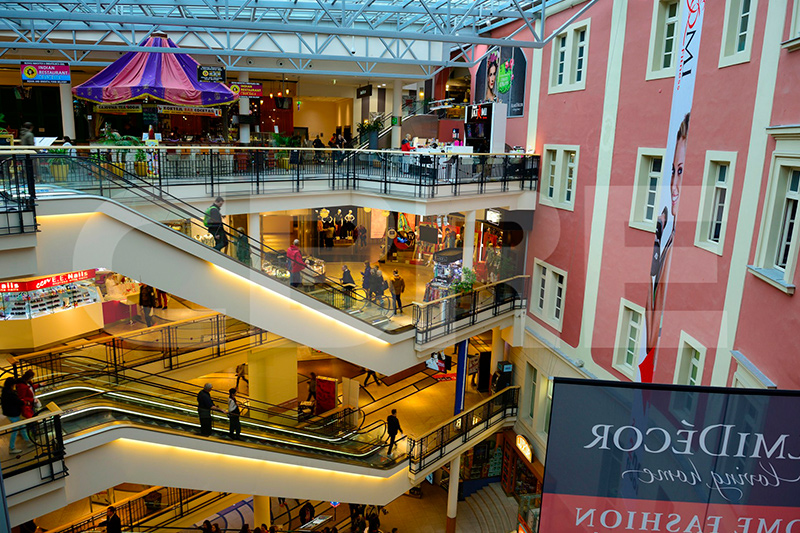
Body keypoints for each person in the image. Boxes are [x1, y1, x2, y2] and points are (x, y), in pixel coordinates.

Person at [645, 113, 690, 381]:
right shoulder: (671, 238)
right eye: (673, 171)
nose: (673, 185)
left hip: (653, 374)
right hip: (649, 370)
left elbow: (651, 335)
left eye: (681, 171)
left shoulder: (675, 245)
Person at [2, 377, 27, 454]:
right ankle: (11, 448)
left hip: (10, 413)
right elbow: (17, 401)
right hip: (13, 414)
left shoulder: (5, 391)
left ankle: (28, 440)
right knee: (15, 430)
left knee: (22, 426)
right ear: (12, 385)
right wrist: (23, 402)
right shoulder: (10, 394)